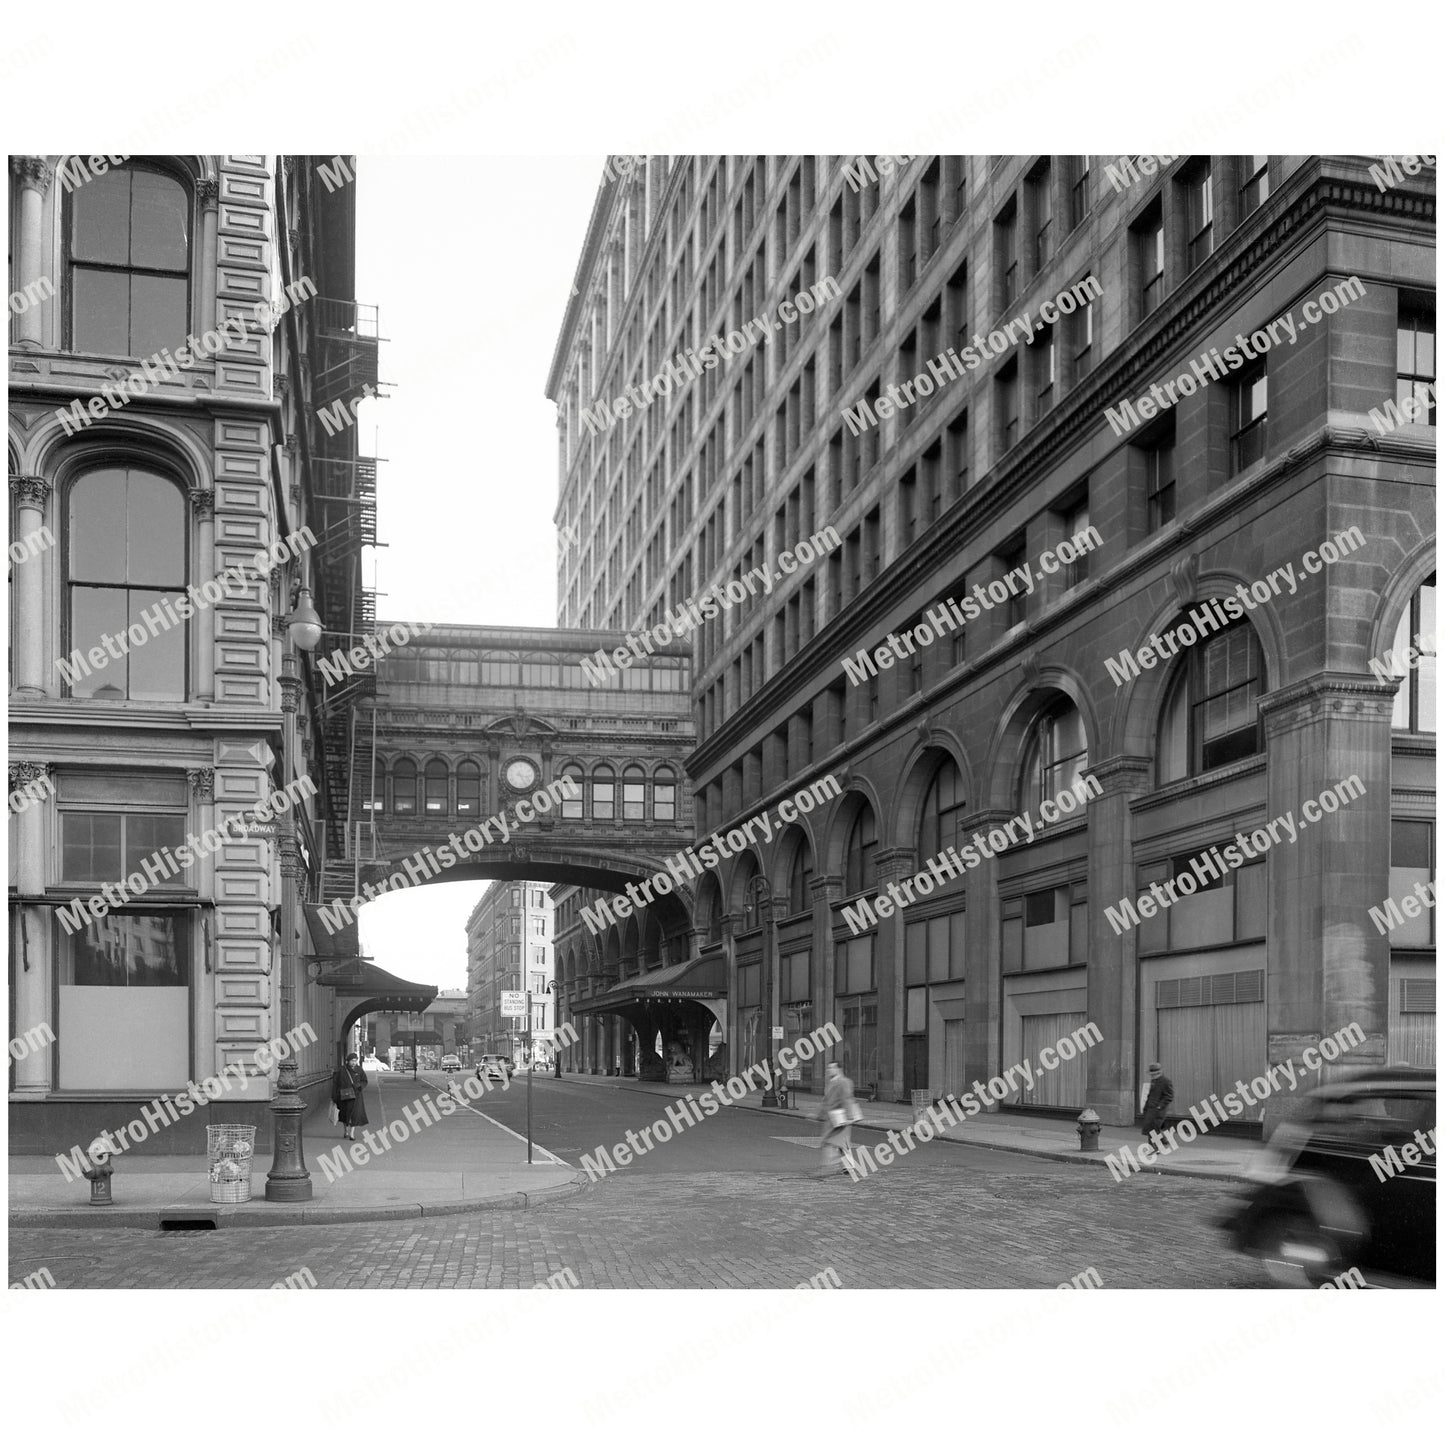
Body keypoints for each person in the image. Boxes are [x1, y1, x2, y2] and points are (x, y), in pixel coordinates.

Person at [813, 1062, 861, 1178]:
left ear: (839, 1069)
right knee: (842, 1144)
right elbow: (826, 1101)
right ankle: (848, 1167)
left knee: (829, 1142)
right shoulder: (832, 1082)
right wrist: (818, 1114)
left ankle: (827, 1167)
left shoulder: (843, 1082)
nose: (829, 1070)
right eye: (828, 1068)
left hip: (840, 1117)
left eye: (832, 1068)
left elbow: (846, 1099)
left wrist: (849, 1116)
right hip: (833, 1118)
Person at [331, 1052, 369, 1142]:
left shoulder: (359, 1070)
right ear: (347, 1061)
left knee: (355, 1114)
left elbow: (365, 1080)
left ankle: (352, 1133)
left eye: (355, 1061)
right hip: (344, 1096)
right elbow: (335, 1084)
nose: (354, 1063)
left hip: (356, 1096)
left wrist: (359, 1085)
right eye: (352, 1061)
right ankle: (346, 1131)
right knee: (345, 1114)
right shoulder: (341, 1070)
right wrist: (334, 1096)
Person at [1140, 1062, 1174, 1140]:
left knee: (1153, 1129)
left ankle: (1155, 1149)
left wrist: (1159, 1106)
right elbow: (1150, 1095)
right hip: (1150, 1108)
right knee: (1152, 1129)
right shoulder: (1154, 1081)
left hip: (1158, 1110)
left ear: (1159, 1073)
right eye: (1151, 1074)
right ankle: (1163, 1141)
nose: (1152, 1076)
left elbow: (1169, 1096)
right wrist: (1146, 1107)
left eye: (1153, 1074)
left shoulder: (1166, 1081)